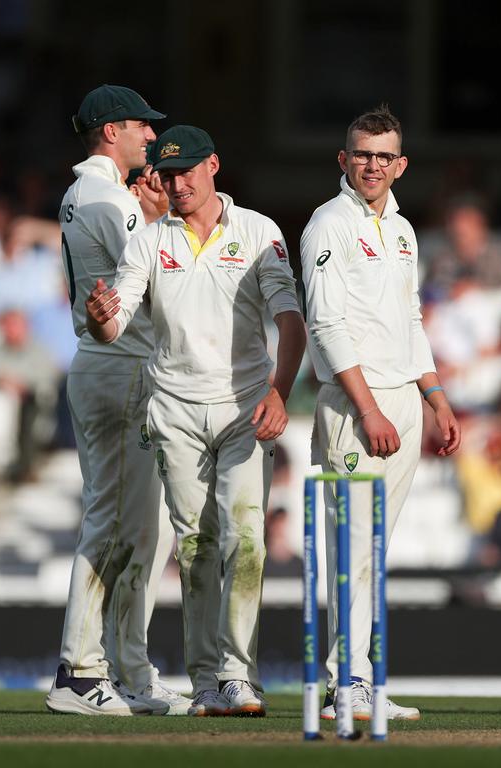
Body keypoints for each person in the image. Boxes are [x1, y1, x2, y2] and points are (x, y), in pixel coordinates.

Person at [85, 125, 306, 717]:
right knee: (196, 545)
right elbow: (118, 316)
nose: (177, 183)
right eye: (167, 172)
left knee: (248, 539)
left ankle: (239, 673)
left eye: (187, 171)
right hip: (176, 410)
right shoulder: (150, 240)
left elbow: (289, 319)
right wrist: (102, 318)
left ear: (214, 166)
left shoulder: (259, 231)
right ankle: (206, 679)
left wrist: (280, 392)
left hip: (245, 408)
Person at [300, 104, 461, 722]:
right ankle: (349, 684)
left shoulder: (401, 229)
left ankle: (364, 678)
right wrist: (368, 409)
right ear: (344, 160)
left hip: (402, 400)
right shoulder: (328, 225)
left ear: (400, 165)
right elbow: (327, 325)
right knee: (354, 549)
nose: (372, 165)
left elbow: (410, 320)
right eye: (361, 154)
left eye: (383, 155)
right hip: (354, 403)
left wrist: (436, 398)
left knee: (374, 547)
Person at [45, 85, 188, 717]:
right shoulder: (108, 197)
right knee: (114, 522)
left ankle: (129, 670)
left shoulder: (89, 194)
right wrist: (160, 222)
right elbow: (162, 277)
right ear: (110, 132)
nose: (151, 138)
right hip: (121, 366)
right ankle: (79, 673)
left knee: (143, 532)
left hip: (113, 367)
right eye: (140, 127)